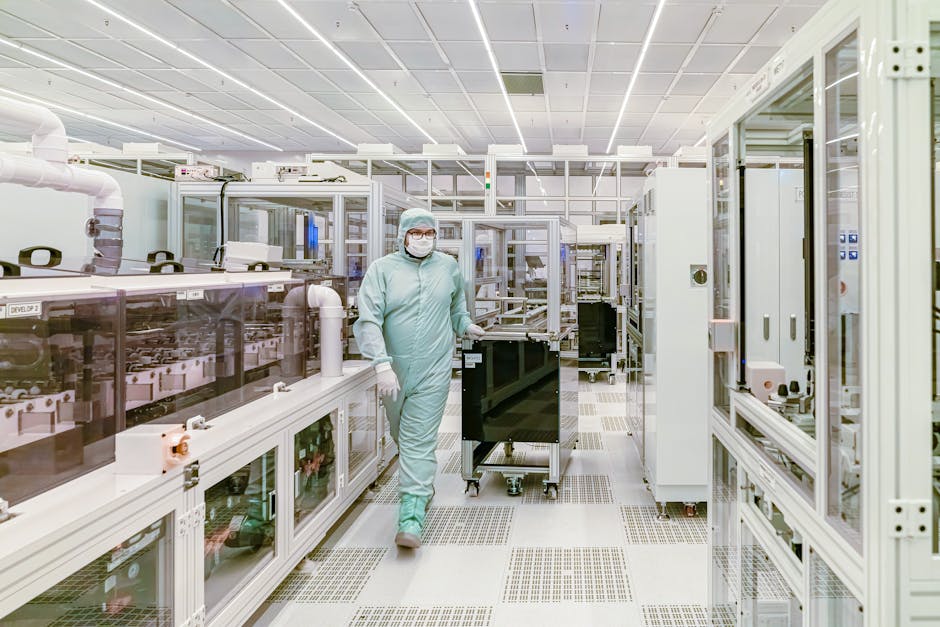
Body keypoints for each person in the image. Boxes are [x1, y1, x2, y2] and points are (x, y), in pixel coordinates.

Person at [353, 208, 484, 548]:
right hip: (392, 372)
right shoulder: (382, 270)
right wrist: (381, 364)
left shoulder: (448, 267)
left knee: (418, 439)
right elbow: (369, 320)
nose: (424, 239)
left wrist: (466, 325)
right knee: (401, 434)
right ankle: (422, 487)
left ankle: (411, 518)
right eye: (417, 233)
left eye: (429, 233)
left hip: (433, 369)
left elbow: (456, 309)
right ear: (403, 235)